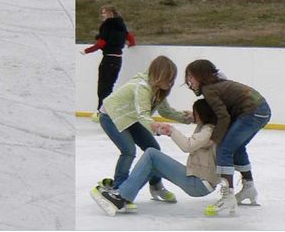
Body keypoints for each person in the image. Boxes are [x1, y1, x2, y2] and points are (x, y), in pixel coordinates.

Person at [91, 99, 219, 215]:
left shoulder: (209, 130)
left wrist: (171, 131)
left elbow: (188, 146)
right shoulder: (206, 126)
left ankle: (120, 196)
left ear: (203, 114)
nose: (194, 116)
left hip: (199, 184)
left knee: (151, 154)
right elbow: (192, 120)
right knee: (152, 166)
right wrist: (190, 116)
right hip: (199, 181)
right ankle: (125, 197)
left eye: (196, 113)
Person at [97, 56, 191, 203]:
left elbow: (166, 111)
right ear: (158, 75)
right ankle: (119, 188)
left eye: (172, 78)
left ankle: (156, 186)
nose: (170, 82)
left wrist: (188, 118)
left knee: (153, 148)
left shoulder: (158, 89)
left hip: (130, 117)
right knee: (128, 150)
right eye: (168, 78)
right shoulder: (142, 87)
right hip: (111, 116)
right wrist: (157, 127)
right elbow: (143, 115)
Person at [184, 59, 271, 216]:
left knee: (224, 148)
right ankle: (249, 188)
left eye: (191, 76)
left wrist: (214, 139)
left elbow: (223, 117)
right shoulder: (217, 83)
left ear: (200, 75)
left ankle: (228, 196)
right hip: (262, 110)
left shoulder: (208, 89)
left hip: (252, 112)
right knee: (237, 148)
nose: (189, 81)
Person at [82, 5, 137, 117]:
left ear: (110, 13)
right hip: (118, 59)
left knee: (102, 87)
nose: (103, 15)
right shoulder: (120, 24)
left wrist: (86, 51)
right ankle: (107, 111)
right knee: (109, 86)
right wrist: (131, 44)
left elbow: (101, 43)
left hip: (108, 58)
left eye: (104, 13)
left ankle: (102, 112)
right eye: (102, 13)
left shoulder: (107, 25)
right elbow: (129, 37)